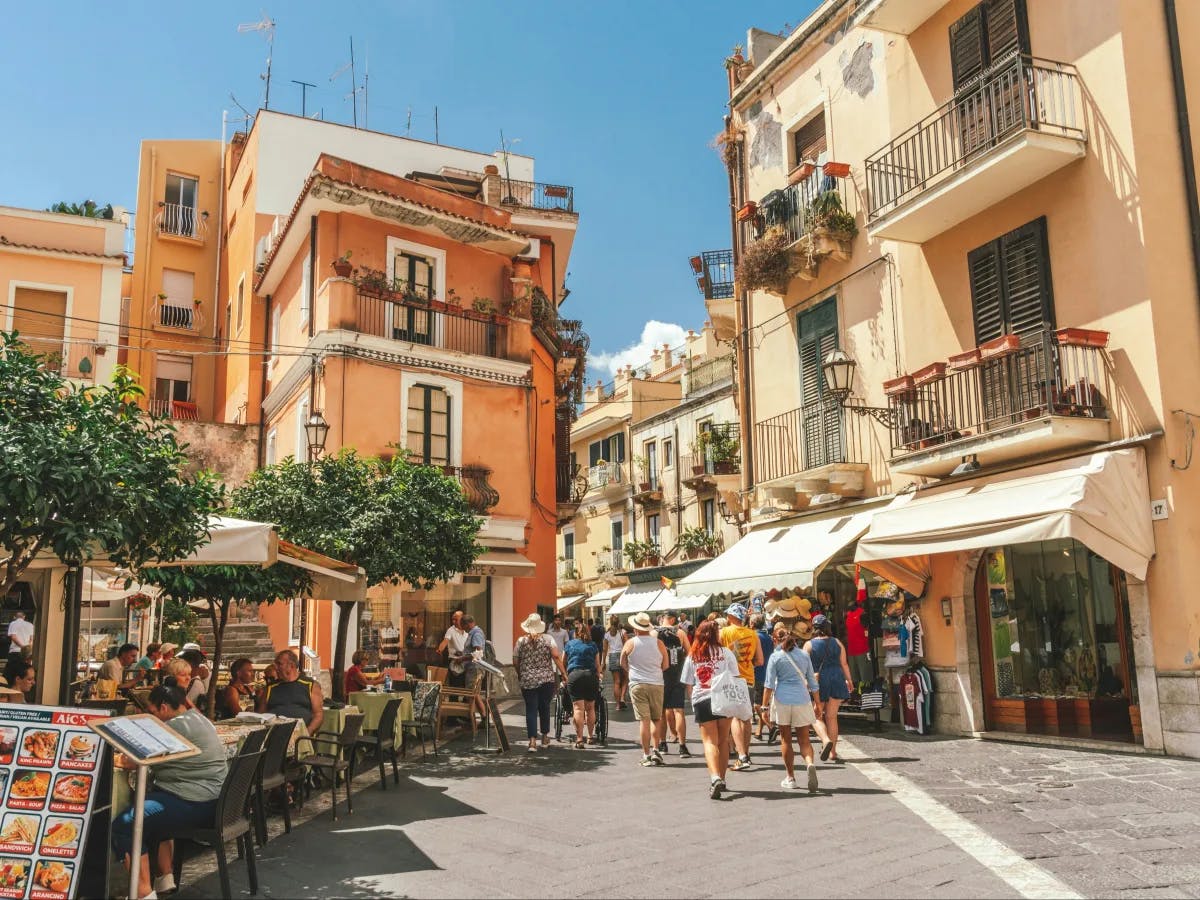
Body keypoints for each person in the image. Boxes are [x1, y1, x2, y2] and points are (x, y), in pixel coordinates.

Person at [111, 683, 228, 900]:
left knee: (125, 825)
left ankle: (142, 893)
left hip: (195, 803)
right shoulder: (199, 719)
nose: (150, 715)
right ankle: (164, 878)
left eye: (152, 711)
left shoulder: (174, 727)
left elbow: (132, 760)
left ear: (163, 708)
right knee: (152, 806)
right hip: (214, 800)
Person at [680, 620, 740, 800]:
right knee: (723, 742)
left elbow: (688, 683)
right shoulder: (726, 653)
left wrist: (693, 701)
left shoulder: (693, 655)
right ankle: (722, 778)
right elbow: (735, 677)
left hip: (703, 699)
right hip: (724, 699)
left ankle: (714, 778)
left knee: (709, 742)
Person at [762, 624, 821, 792]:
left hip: (782, 700)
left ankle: (791, 777)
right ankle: (809, 763)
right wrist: (817, 703)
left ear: (775, 640)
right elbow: (812, 681)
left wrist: (764, 707)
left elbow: (768, 685)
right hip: (802, 699)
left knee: (786, 739)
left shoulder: (775, 657)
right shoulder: (803, 655)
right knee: (804, 739)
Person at [513, 614, 567, 752]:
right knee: (545, 708)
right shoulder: (548, 639)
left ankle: (532, 741)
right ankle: (544, 737)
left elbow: (515, 661)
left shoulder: (521, 641)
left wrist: (521, 673)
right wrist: (564, 674)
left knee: (531, 709)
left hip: (528, 680)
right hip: (546, 680)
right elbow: (555, 656)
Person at [621, 612, 669, 767]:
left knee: (644, 721)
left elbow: (622, 662)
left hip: (637, 684)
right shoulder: (659, 643)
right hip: (656, 683)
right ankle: (656, 750)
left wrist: (631, 670)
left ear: (635, 628)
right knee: (657, 719)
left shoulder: (630, 643)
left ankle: (646, 755)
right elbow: (666, 665)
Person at [804, 613, 854, 762]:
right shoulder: (837, 642)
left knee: (816, 715)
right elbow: (844, 663)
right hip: (837, 678)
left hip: (818, 680)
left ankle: (825, 740)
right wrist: (849, 680)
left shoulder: (809, 645)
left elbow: (804, 666)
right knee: (832, 717)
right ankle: (833, 752)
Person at [719, 604, 763, 771]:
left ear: (731, 616)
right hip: (749, 679)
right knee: (746, 717)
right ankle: (747, 753)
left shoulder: (724, 633)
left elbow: (717, 655)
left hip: (731, 678)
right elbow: (760, 661)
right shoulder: (753, 634)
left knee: (735, 718)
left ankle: (742, 756)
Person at [258, 649, 324, 736]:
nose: (276, 668)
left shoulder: (310, 685)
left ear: (291, 665)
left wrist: (309, 730)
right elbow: (260, 714)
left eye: (279, 664)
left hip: (300, 734)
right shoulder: (270, 688)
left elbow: (318, 714)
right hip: (273, 734)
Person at [656, 611, 692, 758]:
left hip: (661, 676)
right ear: (672, 620)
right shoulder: (680, 633)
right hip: (678, 675)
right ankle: (682, 746)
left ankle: (663, 744)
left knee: (662, 712)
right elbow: (690, 653)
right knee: (679, 711)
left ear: (663, 619)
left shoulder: (654, 633)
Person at [563, 622, 601, 747]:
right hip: (590, 676)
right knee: (590, 708)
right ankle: (590, 736)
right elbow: (598, 665)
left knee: (578, 709)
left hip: (575, 676)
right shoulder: (593, 645)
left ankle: (579, 739)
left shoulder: (569, 644)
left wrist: (565, 675)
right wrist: (599, 676)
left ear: (575, 633)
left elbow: (563, 661)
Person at [752, 614, 773, 740]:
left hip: (757, 672)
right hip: (767, 672)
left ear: (752, 624)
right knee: (762, 703)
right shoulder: (768, 637)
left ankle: (771, 726)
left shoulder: (754, 637)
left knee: (756, 705)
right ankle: (759, 732)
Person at [436, 610, 468, 687]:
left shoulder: (467, 630)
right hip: (455, 661)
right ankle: (453, 699)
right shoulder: (451, 630)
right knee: (455, 684)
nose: (453, 621)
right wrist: (440, 649)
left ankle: (465, 699)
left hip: (466, 660)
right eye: (452, 619)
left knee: (465, 685)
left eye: (456, 619)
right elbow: (445, 641)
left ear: (462, 619)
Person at [603, 615, 628, 710]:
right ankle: (622, 698)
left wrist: (603, 663)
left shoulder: (607, 634)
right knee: (625, 678)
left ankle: (617, 705)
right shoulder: (623, 632)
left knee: (616, 682)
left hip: (612, 657)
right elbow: (627, 645)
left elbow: (604, 650)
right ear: (619, 622)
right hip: (622, 656)